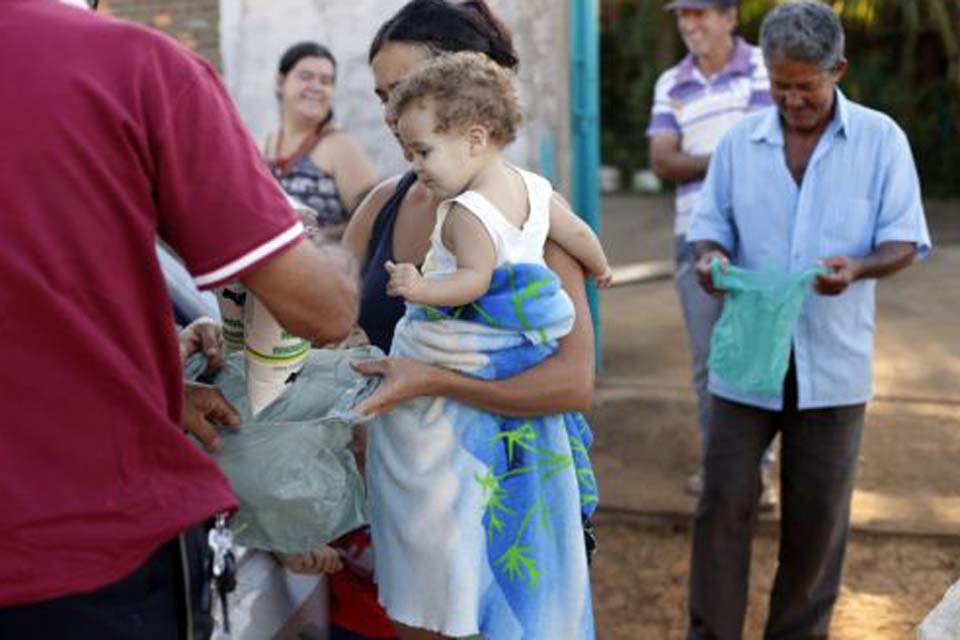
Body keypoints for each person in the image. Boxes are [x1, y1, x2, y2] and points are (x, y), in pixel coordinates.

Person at [0, 1, 358, 637]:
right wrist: (323, 248)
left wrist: (156, 377)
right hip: (85, 557)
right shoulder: (137, 69)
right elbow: (321, 310)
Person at [340, 2, 600, 639]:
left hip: (502, 499)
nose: (388, 113)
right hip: (399, 502)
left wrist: (432, 382)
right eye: (379, 94)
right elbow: (325, 320)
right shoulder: (381, 204)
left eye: (401, 91)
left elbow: (572, 384)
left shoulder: (527, 217)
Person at [684, 2, 931, 638]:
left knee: (817, 522)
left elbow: (903, 241)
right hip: (745, 362)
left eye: (806, 86)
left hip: (834, 364)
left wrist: (859, 267)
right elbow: (708, 232)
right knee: (722, 506)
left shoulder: (881, 141)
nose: (792, 100)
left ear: (838, 69)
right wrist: (711, 260)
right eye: (779, 85)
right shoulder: (740, 145)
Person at [646, 0, 775, 504]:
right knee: (709, 361)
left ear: (730, 17)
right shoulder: (670, 83)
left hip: (762, 234)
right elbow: (661, 161)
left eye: (701, 13)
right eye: (683, 16)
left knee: (756, 355)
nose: (690, 25)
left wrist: (696, 158)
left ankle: (758, 473)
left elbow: (768, 147)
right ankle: (721, 467)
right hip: (694, 234)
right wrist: (727, 155)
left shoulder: (766, 66)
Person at [384, 52, 611, 307]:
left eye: (423, 152)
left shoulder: (468, 212)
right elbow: (579, 234)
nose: (414, 165)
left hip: (470, 333)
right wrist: (600, 268)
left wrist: (422, 288)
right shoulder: (534, 189)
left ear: (475, 139)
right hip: (526, 329)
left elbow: (473, 280)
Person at [263, 41, 378, 241]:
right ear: (281, 82)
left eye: (325, 81)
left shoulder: (341, 146)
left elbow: (372, 221)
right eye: (306, 77)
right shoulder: (262, 147)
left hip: (324, 267)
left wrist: (310, 239)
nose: (316, 87)